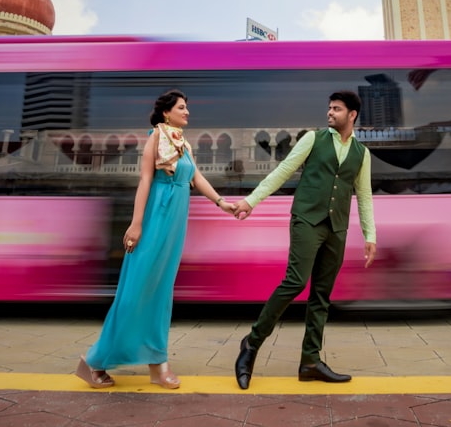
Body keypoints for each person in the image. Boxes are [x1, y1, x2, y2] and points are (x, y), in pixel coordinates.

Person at [76, 89, 236, 389]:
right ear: (167, 112)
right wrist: (136, 225)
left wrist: (221, 203)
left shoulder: (183, 142)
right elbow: (145, 181)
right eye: (182, 107)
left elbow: (196, 177)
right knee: (137, 291)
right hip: (155, 220)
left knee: (161, 293)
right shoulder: (155, 138)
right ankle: (95, 361)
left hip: (175, 222)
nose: (188, 112)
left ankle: (157, 364)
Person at [232, 90, 377, 389]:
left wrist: (369, 235)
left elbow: (364, 196)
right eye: (329, 108)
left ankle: (310, 360)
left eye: (336, 109)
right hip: (307, 220)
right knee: (296, 282)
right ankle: (251, 344)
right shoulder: (313, 139)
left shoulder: (363, 154)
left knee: (322, 295)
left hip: (336, 228)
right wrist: (251, 200)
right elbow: (284, 171)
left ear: (352, 115)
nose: (330, 113)